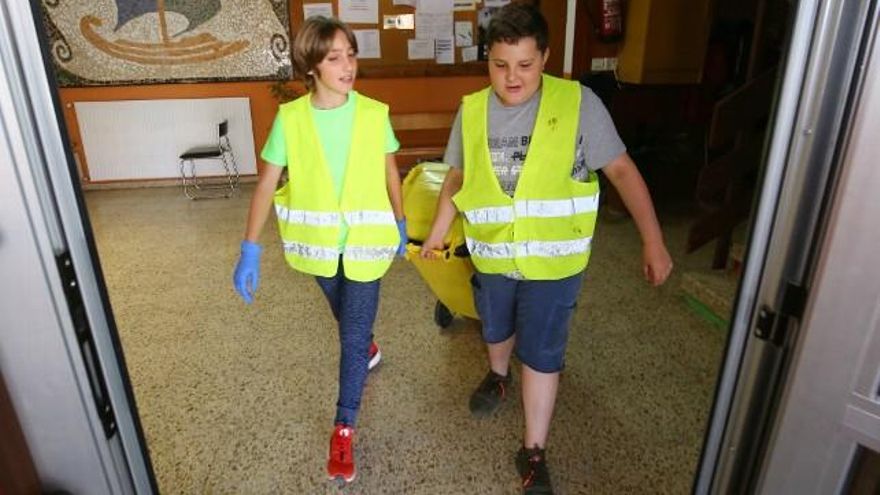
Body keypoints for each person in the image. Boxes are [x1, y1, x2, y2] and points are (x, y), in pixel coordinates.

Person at [421, 4, 673, 494]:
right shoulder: (472, 110)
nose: (512, 77)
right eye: (500, 65)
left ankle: (533, 449)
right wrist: (437, 232)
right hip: (494, 256)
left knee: (541, 351)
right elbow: (456, 177)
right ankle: (498, 375)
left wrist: (653, 240)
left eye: (525, 64)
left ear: (546, 57)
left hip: (555, 264)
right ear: (487, 59)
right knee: (495, 327)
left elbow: (622, 170)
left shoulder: (578, 104)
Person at [232, 16, 406, 484]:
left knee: (350, 336)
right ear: (311, 65)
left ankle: (344, 426)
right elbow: (266, 184)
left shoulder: (374, 113)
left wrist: (400, 218)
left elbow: (390, 170)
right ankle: (367, 346)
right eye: (335, 58)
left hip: (367, 245)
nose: (348, 66)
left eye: (351, 55)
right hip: (319, 249)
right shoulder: (291, 120)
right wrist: (250, 248)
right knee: (347, 319)